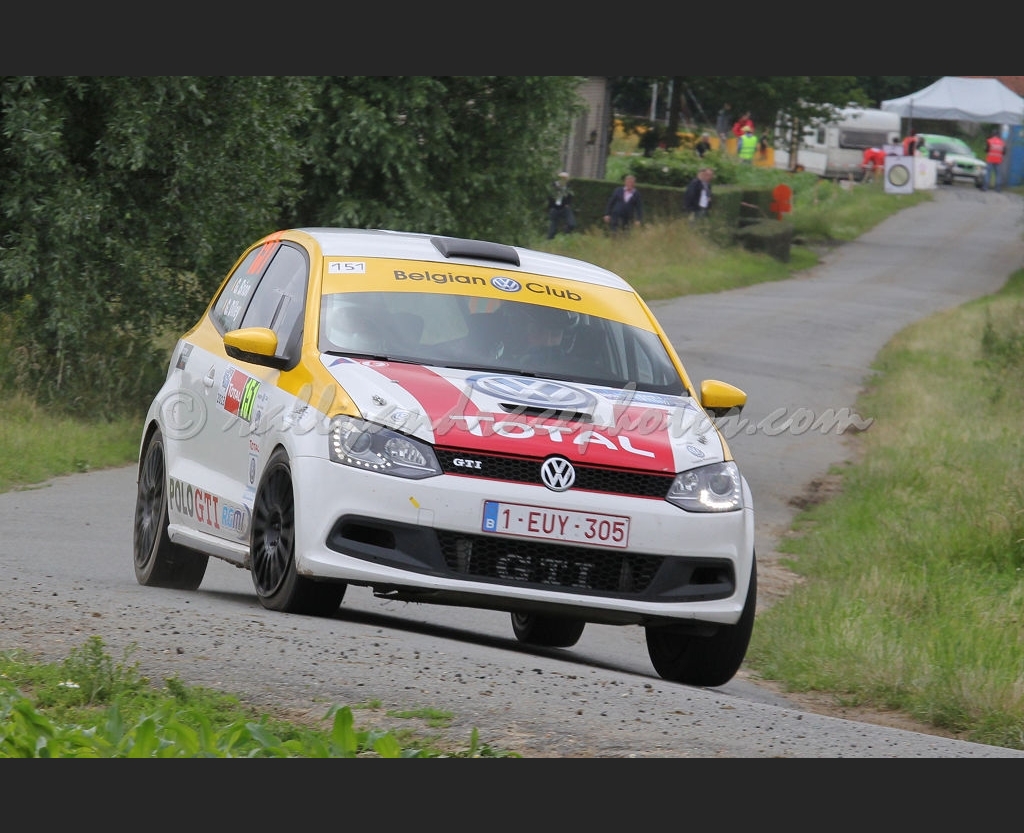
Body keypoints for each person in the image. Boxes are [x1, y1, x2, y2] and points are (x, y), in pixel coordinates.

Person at [546, 171, 577, 239]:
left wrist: (568, 204)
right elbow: (549, 197)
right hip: (554, 208)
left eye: (565, 178)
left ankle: (566, 233)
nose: (564, 180)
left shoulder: (568, 187)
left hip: (564, 208)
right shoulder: (554, 186)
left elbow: (570, 196)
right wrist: (551, 206)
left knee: (572, 224)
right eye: (562, 178)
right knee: (552, 230)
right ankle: (549, 240)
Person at [983, 128, 1006, 192]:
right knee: (998, 174)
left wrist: (985, 149)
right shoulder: (1002, 142)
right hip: (998, 160)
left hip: (990, 159)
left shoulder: (989, 141)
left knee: (988, 173)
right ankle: (998, 189)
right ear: (998, 135)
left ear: (992, 134)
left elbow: (986, 150)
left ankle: (985, 187)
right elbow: (1004, 152)